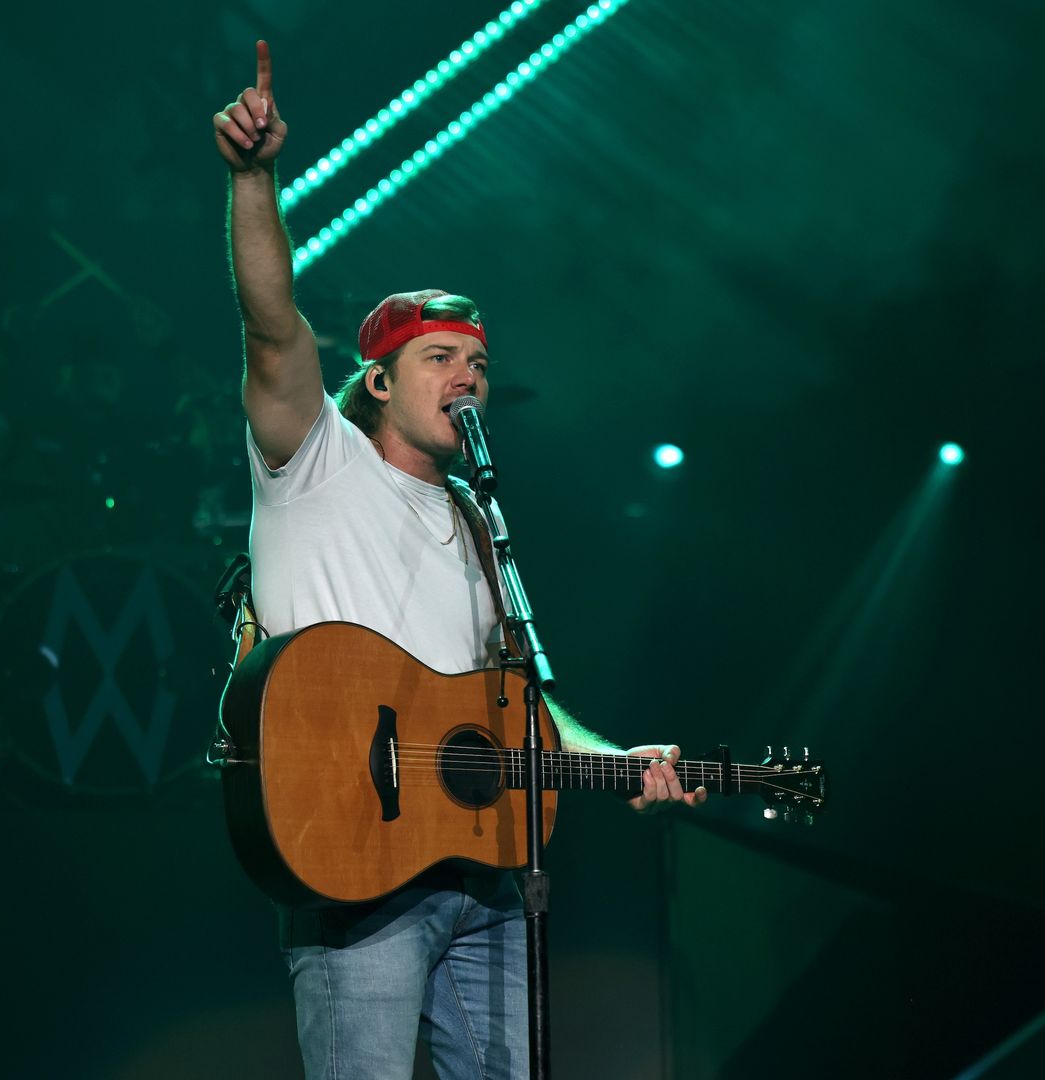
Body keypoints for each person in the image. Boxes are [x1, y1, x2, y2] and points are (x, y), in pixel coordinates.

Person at [214, 40, 704, 1080]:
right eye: (440, 359)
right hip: (352, 859)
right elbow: (269, 327)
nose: (468, 377)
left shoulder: (483, 528)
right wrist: (253, 179)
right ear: (381, 382)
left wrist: (624, 764)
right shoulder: (318, 463)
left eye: (478, 363)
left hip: (481, 874)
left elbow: (518, 699)